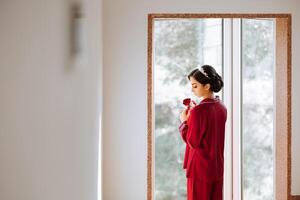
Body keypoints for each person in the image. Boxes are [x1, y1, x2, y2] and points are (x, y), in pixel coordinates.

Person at [178, 65, 227, 200]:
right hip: (216, 167)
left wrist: (184, 122)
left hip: (199, 169)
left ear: (207, 86)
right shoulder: (221, 106)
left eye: (195, 86)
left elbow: (193, 141)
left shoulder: (199, 111)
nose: (192, 90)